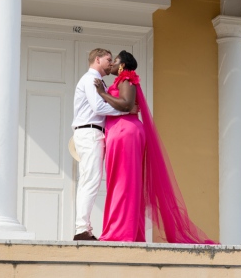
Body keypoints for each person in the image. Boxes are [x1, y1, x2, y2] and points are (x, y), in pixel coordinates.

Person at [94, 50, 216, 244]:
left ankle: (121, 232)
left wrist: (101, 93)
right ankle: (122, 230)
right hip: (119, 133)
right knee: (117, 182)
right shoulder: (119, 82)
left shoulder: (127, 79)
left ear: (123, 66)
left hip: (126, 133)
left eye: (115, 61)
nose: (112, 65)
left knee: (125, 184)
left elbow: (125, 105)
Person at [72, 48, 136, 241]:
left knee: (90, 179)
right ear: (97, 60)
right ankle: (82, 229)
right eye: (108, 59)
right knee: (90, 180)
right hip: (90, 132)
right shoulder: (91, 79)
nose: (111, 63)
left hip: (93, 132)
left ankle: (85, 228)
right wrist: (127, 110)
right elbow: (98, 107)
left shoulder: (98, 81)